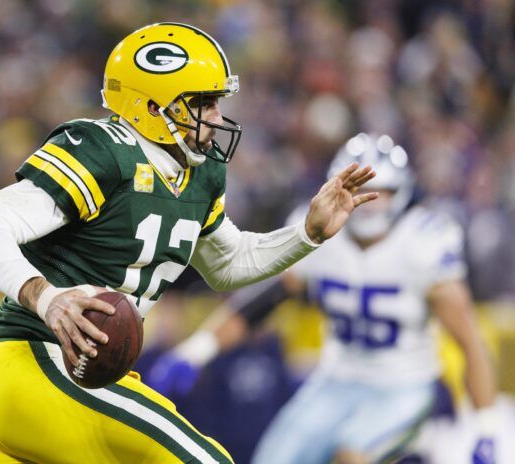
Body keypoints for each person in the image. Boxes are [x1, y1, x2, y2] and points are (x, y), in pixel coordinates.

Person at [0, 22, 377, 463]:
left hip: (60, 388)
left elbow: (227, 264)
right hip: (37, 366)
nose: (215, 116)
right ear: (152, 107)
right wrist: (46, 298)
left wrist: (305, 235)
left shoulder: (201, 172)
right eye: (202, 103)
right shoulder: (102, 149)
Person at [148, 133, 498, 464]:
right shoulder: (318, 231)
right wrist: (195, 351)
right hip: (336, 378)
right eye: (357, 188)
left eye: (381, 192)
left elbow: (470, 341)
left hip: (404, 384)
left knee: (353, 456)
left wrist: (485, 427)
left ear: (401, 193)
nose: (369, 203)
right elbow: (260, 305)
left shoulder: (424, 242)